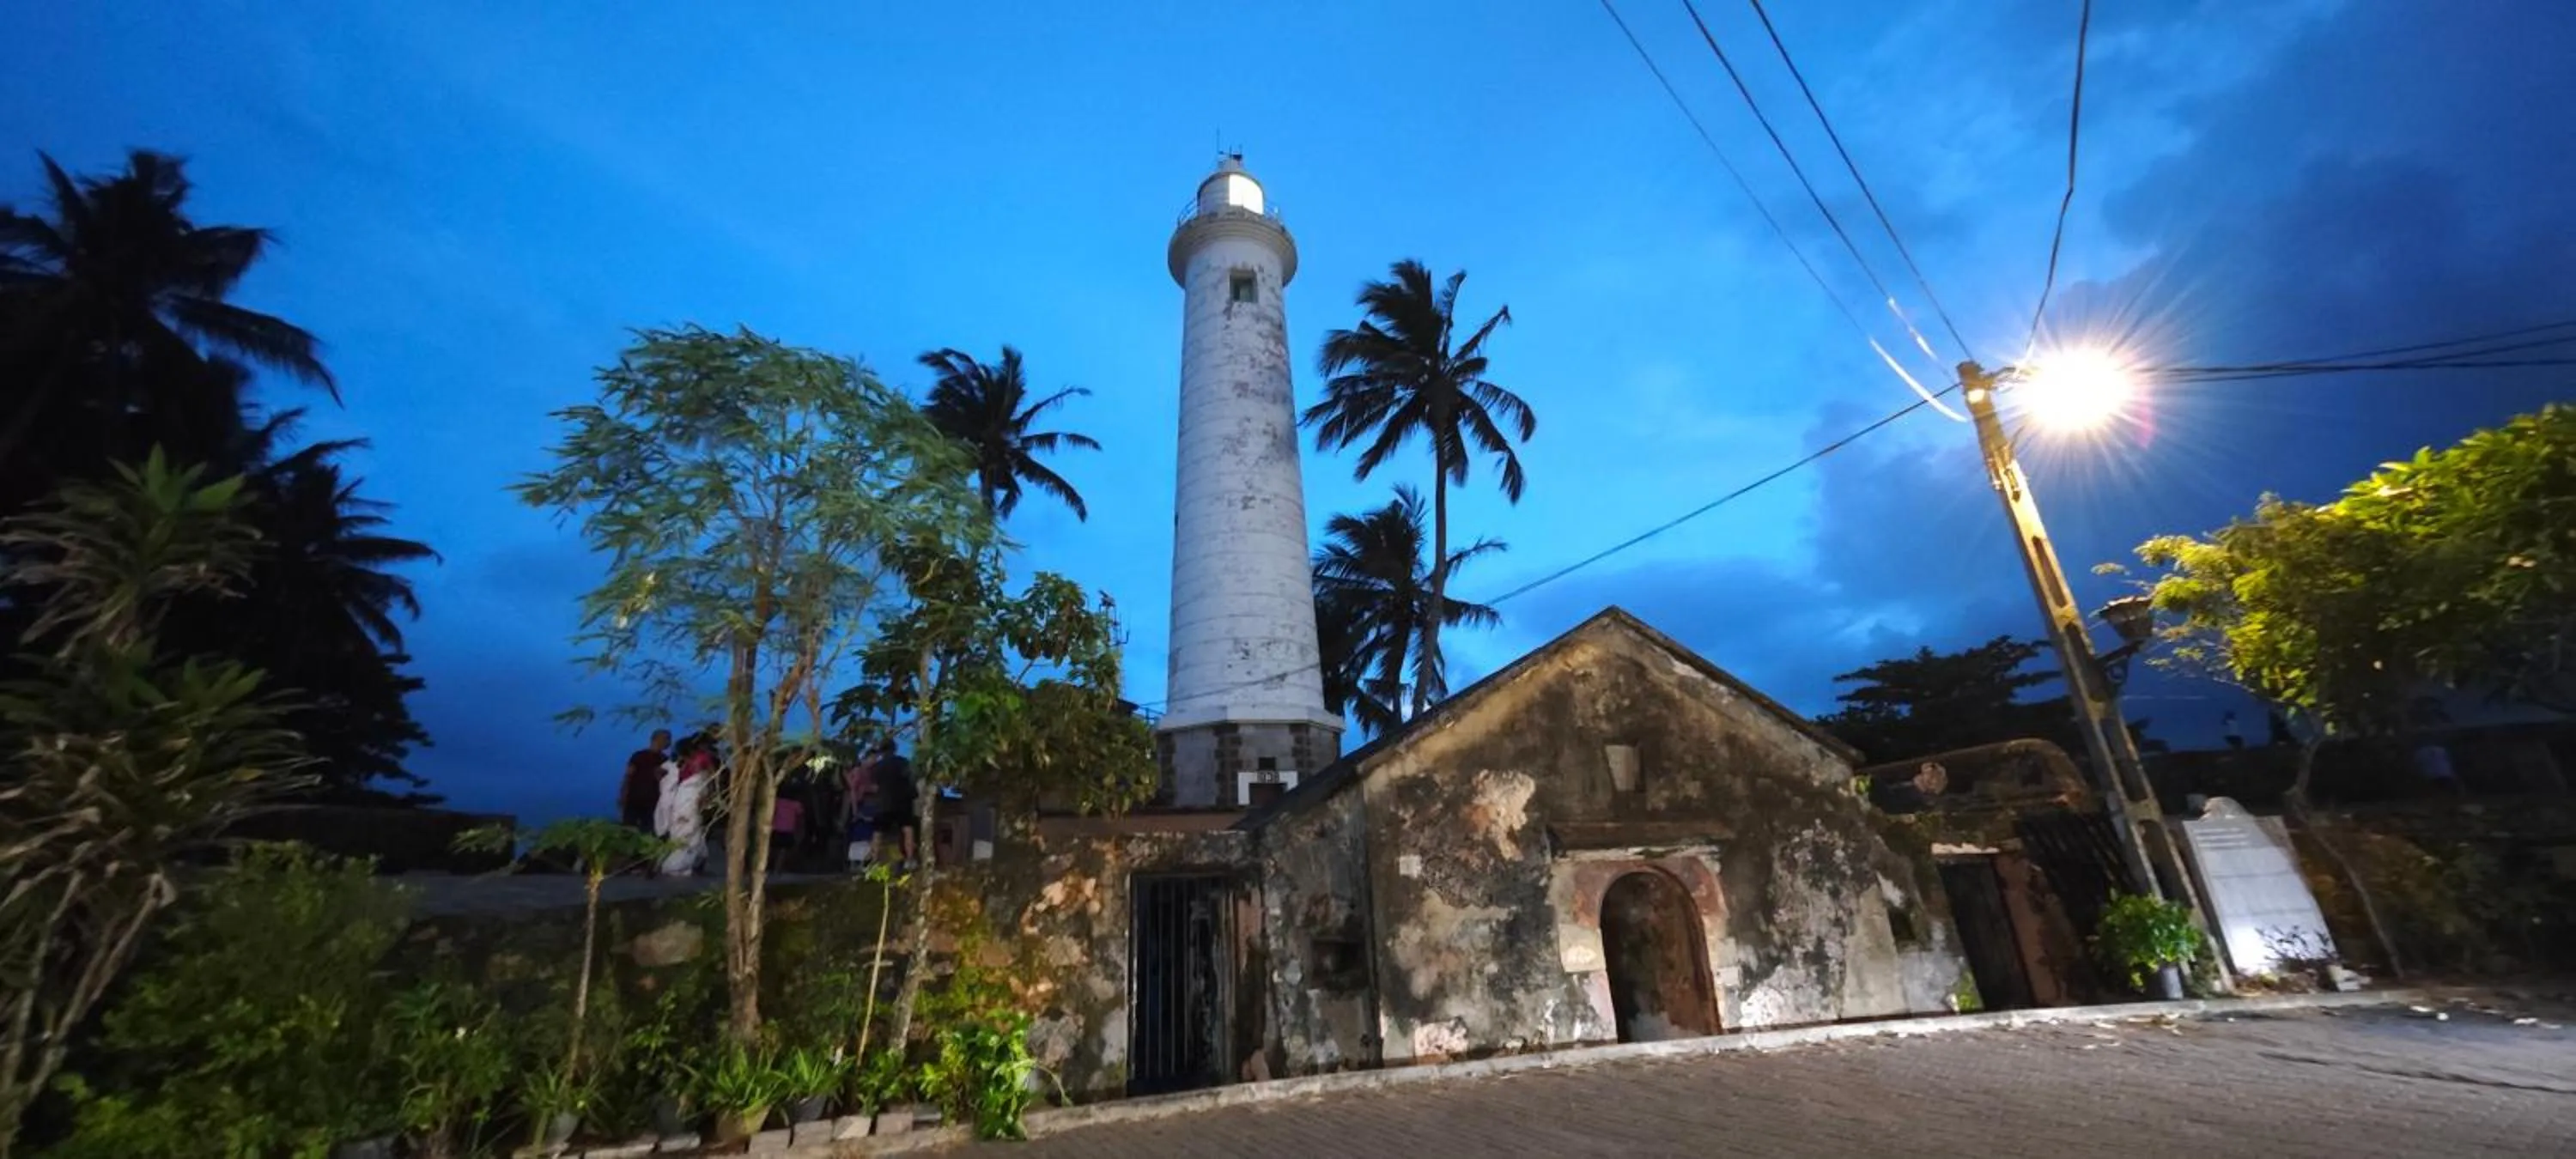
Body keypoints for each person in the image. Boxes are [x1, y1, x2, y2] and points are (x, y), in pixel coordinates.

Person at [654, 735, 710, 876]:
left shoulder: (681, 762)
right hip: (688, 797)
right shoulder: (698, 759)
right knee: (687, 829)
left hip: (683, 797)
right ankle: (680, 864)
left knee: (686, 829)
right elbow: (707, 778)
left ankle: (684, 863)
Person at [872, 738, 920, 868]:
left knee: (878, 832)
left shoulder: (878, 766)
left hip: (884, 803)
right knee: (908, 830)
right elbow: (912, 780)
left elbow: (874, 786)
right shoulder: (904, 763)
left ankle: (874, 861)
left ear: (882, 750)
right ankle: (909, 859)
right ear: (895, 749)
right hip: (903, 802)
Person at [621, 729, 671, 831]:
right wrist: (623, 796)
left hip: (653, 802)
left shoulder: (665, 760)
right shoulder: (638, 756)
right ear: (656, 739)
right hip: (634, 799)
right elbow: (628, 777)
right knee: (629, 830)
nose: (669, 742)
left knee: (648, 831)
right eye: (666, 739)